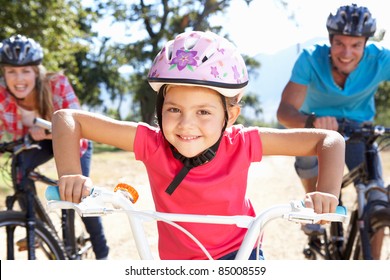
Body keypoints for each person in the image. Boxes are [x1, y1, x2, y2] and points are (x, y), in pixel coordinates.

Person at [51, 30, 345, 260]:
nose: (186, 124)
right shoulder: (152, 143)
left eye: (203, 112)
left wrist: (327, 193)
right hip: (176, 264)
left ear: (229, 116)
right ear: (160, 109)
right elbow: (67, 119)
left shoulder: (241, 143)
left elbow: (328, 140)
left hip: (239, 255)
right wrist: (70, 174)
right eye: (174, 109)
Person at [276, 4, 390, 259]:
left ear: (366, 44)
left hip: (360, 128)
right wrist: (311, 122)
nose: (347, 53)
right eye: (339, 44)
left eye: (356, 45)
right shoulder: (310, 58)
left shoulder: (381, 59)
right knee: (308, 156)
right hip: (316, 126)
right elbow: (285, 111)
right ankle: (313, 205)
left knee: (376, 196)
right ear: (330, 41)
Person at [0, 34, 109, 260]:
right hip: (38, 143)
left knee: (80, 194)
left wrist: (51, 131)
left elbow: (79, 125)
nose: (18, 78)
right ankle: (38, 229)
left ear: (36, 71)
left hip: (74, 139)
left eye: (25, 71)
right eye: (11, 71)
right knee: (20, 168)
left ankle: (103, 256)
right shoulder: (2, 94)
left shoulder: (57, 84)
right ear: (4, 73)